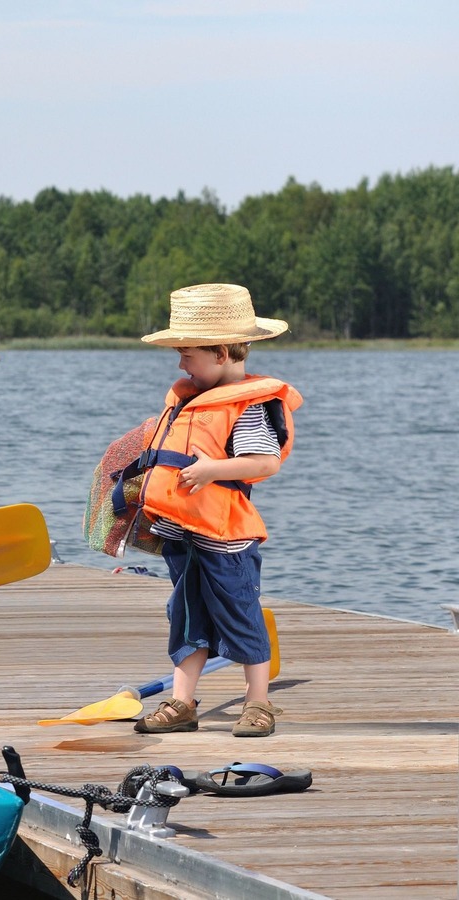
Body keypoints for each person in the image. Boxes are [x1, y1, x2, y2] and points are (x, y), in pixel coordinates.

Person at [129, 284, 302, 738]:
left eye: (187, 355)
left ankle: (258, 703)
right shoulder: (188, 399)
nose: (180, 365)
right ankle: (182, 703)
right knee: (185, 618)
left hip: (226, 541)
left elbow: (264, 462)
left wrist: (212, 470)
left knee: (241, 615)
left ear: (222, 353)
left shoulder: (248, 405)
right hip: (182, 536)